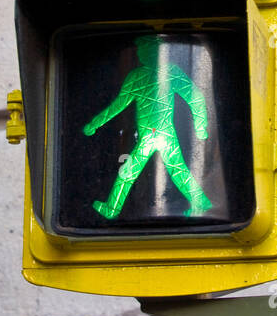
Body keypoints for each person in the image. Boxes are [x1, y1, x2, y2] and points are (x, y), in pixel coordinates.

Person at [83, 35, 212, 219]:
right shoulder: (140, 76)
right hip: (152, 136)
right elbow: (118, 105)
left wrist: (201, 127)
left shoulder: (167, 72)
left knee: (136, 171)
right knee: (174, 171)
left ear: (157, 51)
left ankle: (112, 209)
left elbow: (195, 97)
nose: (143, 54)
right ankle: (201, 203)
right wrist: (94, 124)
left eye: (147, 49)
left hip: (159, 135)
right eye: (141, 50)